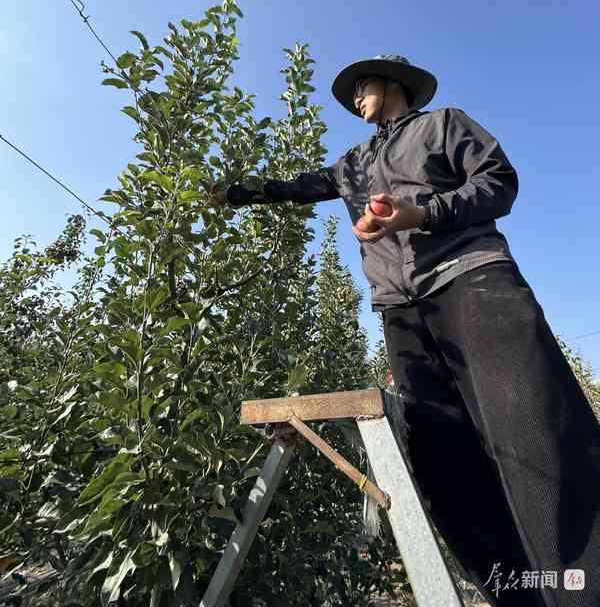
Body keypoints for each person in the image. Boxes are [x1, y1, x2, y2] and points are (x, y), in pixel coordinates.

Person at [219, 54, 600, 606]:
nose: (355, 98)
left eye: (362, 85)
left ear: (394, 84)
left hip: (471, 278)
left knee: (535, 431)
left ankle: (583, 591)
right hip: (402, 311)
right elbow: (301, 186)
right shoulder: (353, 164)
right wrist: (238, 193)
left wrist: (423, 213)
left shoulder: (443, 124)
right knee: (445, 465)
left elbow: (499, 182)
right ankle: (520, 593)